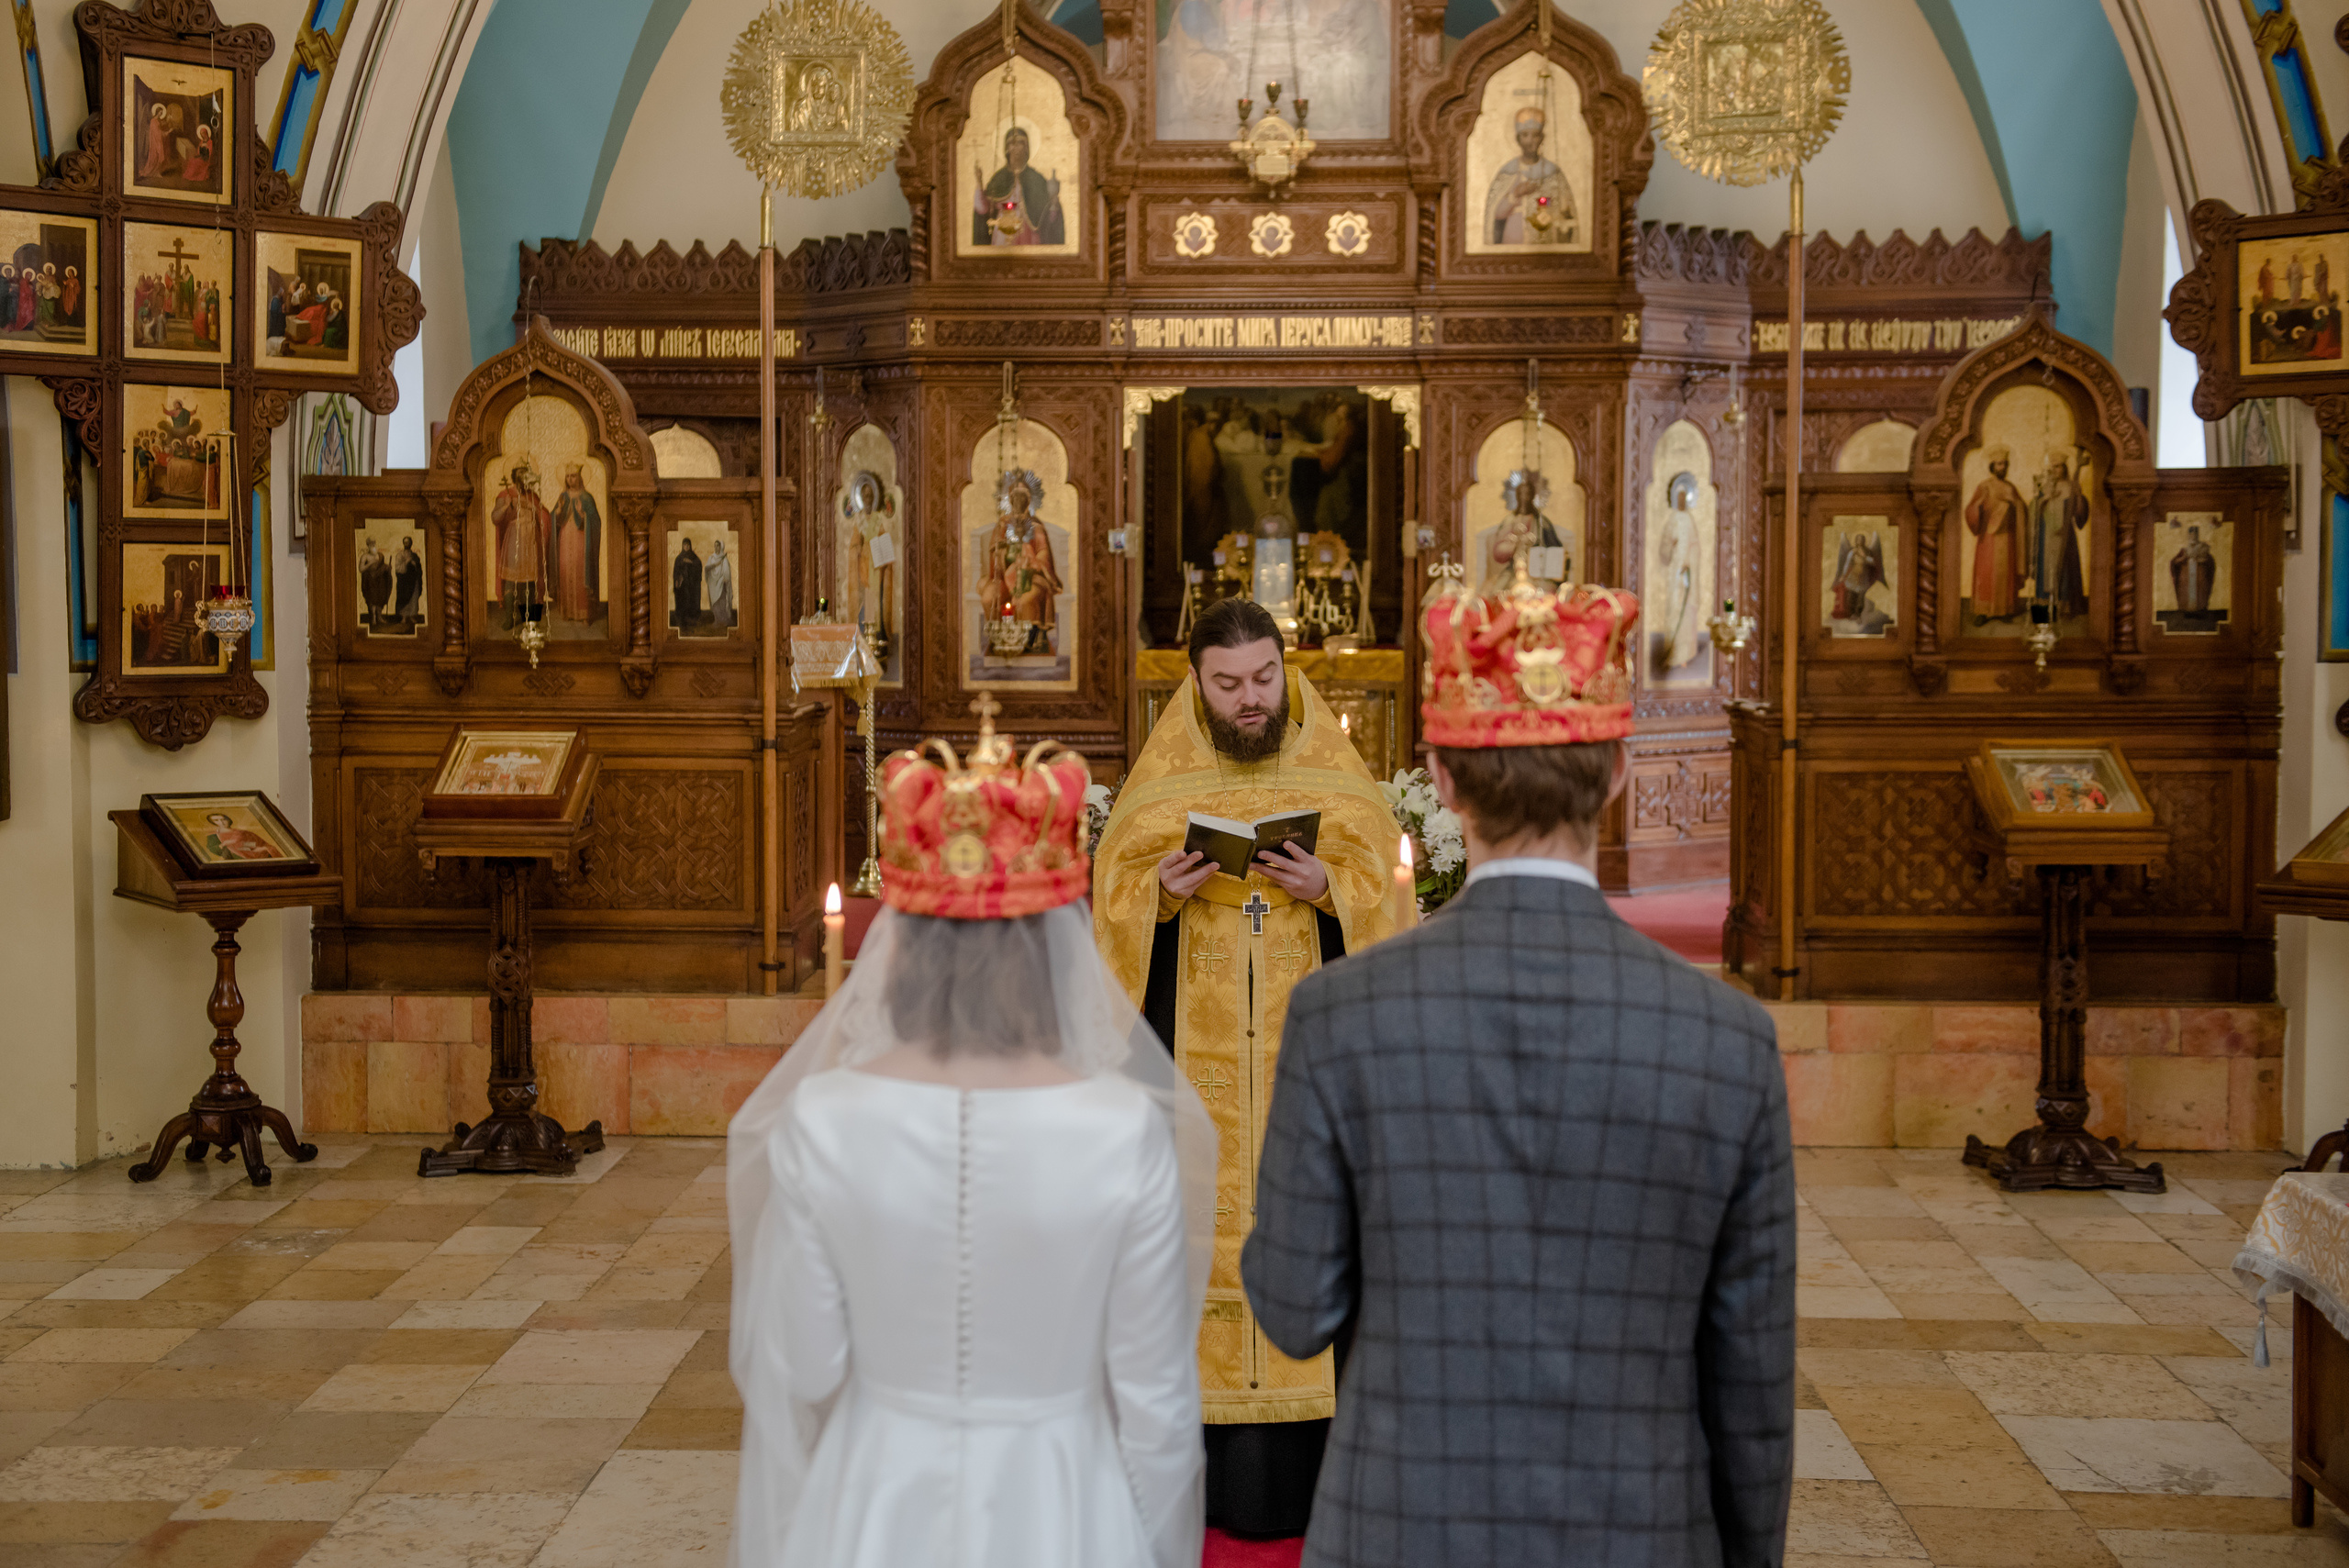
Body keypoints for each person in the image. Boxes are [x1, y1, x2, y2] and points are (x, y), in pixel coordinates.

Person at [1243, 564, 1796, 1567]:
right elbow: (1752, 1378)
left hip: (1400, 1527)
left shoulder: (1340, 1014)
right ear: (1620, 767)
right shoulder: (1728, 1038)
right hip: (1639, 1534)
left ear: (1443, 779)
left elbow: (1290, 1308)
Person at [728, 706, 1217, 1568]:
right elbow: (1157, 1408)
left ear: (903, 948)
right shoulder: (1122, 1127)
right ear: (1054, 951)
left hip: (873, 1497)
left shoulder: (825, 1119)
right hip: (1062, 1500)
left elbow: (799, 1371)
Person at [1091, 596, 1397, 1547]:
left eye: (1264, 677)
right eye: (1227, 683)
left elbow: (1385, 900)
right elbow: (1110, 917)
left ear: (1284, 668)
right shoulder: (1160, 782)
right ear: (1195, 681)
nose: (1250, 698)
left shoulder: (1334, 773)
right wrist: (1158, 900)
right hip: (1200, 1082)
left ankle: (1321, 1465)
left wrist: (1331, 888)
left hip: (1309, 1080)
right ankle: (1204, 1473)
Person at [1484, 105, 1574, 246]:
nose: (1530, 141)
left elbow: (1566, 211)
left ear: (1542, 138)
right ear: (1518, 139)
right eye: (1525, 135)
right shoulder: (1508, 172)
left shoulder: (1553, 172)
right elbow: (1496, 214)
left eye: (1535, 135)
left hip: (1546, 241)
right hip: (1513, 239)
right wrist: (1515, 194)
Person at [972, 125, 1064, 247]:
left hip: (1029, 233)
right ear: (1006, 148)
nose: (1015, 147)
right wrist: (979, 181)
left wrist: (1053, 198)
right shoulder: (999, 178)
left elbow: (1050, 216)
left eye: (1020, 143)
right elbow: (983, 209)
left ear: (1026, 148)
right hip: (1003, 232)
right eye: (1012, 143)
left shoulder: (1037, 178)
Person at [1963, 444, 2024, 623]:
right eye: (1998, 464)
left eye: (2004, 464)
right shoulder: (1984, 487)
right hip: (1988, 538)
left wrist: (2015, 504)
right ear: (1992, 466)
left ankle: (2004, 611)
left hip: (2007, 537)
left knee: (2005, 575)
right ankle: (1983, 612)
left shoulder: (2011, 488)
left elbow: (2021, 510)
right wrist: (1978, 507)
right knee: (1986, 573)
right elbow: (1971, 510)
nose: (2002, 468)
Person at [551, 463, 602, 623]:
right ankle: (567, 611)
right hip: (565, 538)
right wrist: (558, 512)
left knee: (581, 571)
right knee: (565, 570)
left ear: (579, 477)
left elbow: (596, 521)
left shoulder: (587, 498)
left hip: (581, 539)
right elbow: (554, 519)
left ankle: (584, 613)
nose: (570, 479)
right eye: (568, 476)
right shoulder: (563, 497)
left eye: (573, 476)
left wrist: (583, 514)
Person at [671, 536, 704, 631]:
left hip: (691, 586)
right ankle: (683, 622)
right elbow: (675, 572)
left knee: (692, 603)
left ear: (690, 546)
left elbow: (698, 566)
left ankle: (692, 621)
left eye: (688, 545)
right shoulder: (679, 558)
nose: (686, 547)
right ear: (682, 546)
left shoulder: (694, 557)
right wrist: (678, 579)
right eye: (685, 545)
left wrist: (690, 562)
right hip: (682, 587)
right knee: (683, 603)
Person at [705, 537, 735, 631]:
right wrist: (715, 565)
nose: (716, 548)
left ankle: (724, 620)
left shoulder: (724, 559)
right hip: (713, 585)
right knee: (715, 603)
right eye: (715, 546)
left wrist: (724, 580)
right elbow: (706, 568)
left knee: (722, 602)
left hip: (721, 584)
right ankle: (717, 621)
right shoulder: (711, 558)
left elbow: (727, 573)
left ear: (721, 547)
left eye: (718, 546)